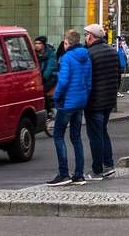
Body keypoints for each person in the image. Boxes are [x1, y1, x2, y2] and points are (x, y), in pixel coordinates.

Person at [46, 29, 92, 186]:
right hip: (80, 101)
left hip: (67, 103)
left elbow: (63, 82)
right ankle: (79, 174)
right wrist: (85, 96)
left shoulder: (66, 58)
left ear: (67, 42)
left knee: (58, 135)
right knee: (76, 137)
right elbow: (88, 80)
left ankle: (64, 173)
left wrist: (56, 97)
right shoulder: (85, 56)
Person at [83, 24, 120, 181]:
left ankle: (97, 169)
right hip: (108, 100)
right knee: (103, 131)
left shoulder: (89, 54)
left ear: (91, 36)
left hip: (95, 101)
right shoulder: (112, 51)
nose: (85, 38)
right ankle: (108, 164)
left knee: (95, 135)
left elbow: (87, 79)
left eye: (86, 35)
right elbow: (118, 75)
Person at [34, 36, 59, 119]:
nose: (37, 45)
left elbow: (50, 68)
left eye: (39, 43)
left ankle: (49, 111)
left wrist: (42, 77)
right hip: (38, 78)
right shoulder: (34, 53)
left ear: (44, 44)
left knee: (42, 91)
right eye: (36, 43)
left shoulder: (51, 53)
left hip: (51, 77)